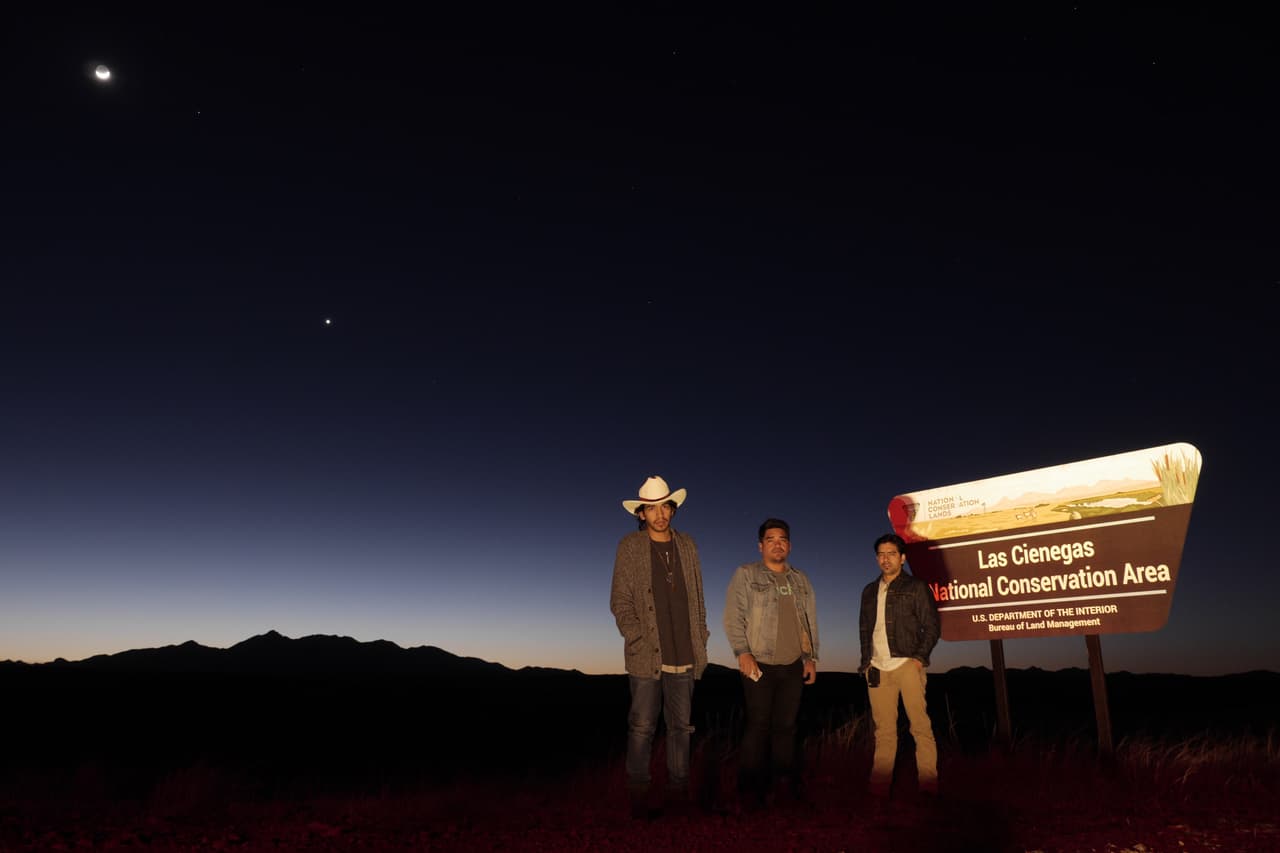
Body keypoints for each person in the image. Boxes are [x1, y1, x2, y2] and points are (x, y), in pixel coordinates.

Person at [610, 475, 710, 818]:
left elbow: (697, 598)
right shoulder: (630, 547)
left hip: (685, 652)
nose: (659, 514)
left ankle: (678, 795)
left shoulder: (688, 546)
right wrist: (636, 635)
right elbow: (620, 600)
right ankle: (638, 796)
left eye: (664, 506)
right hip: (647, 655)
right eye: (651, 509)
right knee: (642, 727)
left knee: (682, 728)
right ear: (641, 514)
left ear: (672, 508)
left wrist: (701, 636)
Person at [724, 518, 818, 809]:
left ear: (789, 545)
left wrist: (810, 658)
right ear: (760, 545)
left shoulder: (800, 580)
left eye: (782, 539)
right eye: (771, 539)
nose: (777, 544)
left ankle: (783, 788)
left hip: (792, 665)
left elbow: (809, 621)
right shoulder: (746, 574)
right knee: (758, 726)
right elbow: (732, 616)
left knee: (786, 727)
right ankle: (749, 791)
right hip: (759, 664)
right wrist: (743, 652)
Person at [859, 532, 941, 799]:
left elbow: (931, 626)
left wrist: (918, 659)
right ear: (875, 558)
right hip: (877, 668)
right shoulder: (869, 591)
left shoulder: (916, 586)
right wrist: (866, 663)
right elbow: (864, 629)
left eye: (892, 554)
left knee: (920, 726)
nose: (886, 559)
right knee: (884, 731)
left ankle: (928, 786)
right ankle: (879, 789)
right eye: (881, 554)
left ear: (902, 558)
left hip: (907, 664)